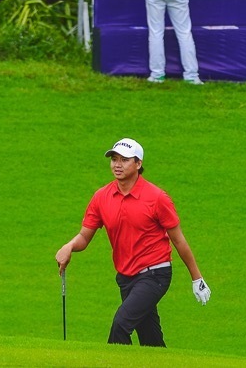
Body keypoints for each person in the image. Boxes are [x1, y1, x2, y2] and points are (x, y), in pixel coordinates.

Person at [55, 137, 211, 347]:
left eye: (124, 160)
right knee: (150, 340)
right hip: (126, 277)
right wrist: (69, 246)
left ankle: (114, 361)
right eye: (114, 159)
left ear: (138, 164)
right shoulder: (101, 197)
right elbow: (84, 237)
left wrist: (196, 278)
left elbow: (178, 240)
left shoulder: (157, 198)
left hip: (155, 274)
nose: (117, 165)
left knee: (120, 325)